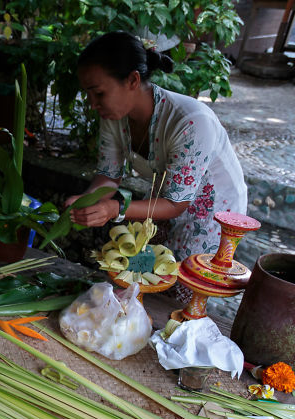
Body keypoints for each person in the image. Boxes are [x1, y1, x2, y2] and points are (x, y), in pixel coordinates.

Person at [64, 31, 247, 260]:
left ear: (133, 80)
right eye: (88, 95)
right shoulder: (113, 115)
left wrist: (115, 208)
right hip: (166, 195)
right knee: (144, 263)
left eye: (99, 93)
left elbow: (175, 204)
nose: (93, 104)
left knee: (185, 272)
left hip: (213, 207)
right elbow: (108, 176)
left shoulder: (190, 122)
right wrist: (87, 200)